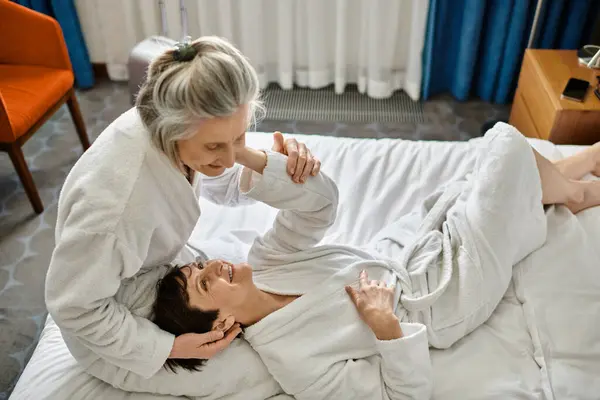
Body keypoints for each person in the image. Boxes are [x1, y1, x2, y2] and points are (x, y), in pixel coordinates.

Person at [153, 123, 600, 400]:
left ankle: (577, 172)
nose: (212, 266)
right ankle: (577, 192)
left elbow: (318, 207)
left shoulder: (266, 259)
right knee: (505, 145)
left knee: (485, 164)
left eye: (199, 267)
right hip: (448, 295)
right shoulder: (294, 361)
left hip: (407, 246)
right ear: (221, 326)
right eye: (206, 284)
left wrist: (249, 156)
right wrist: (385, 325)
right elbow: (403, 396)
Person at [44, 36, 321, 399]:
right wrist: (167, 348)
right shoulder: (116, 208)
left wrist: (273, 164)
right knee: (251, 372)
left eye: (237, 136)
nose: (228, 157)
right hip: (108, 320)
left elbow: (223, 180)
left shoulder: (176, 130)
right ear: (172, 129)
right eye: (214, 147)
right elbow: (74, 307)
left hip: (157, 274)